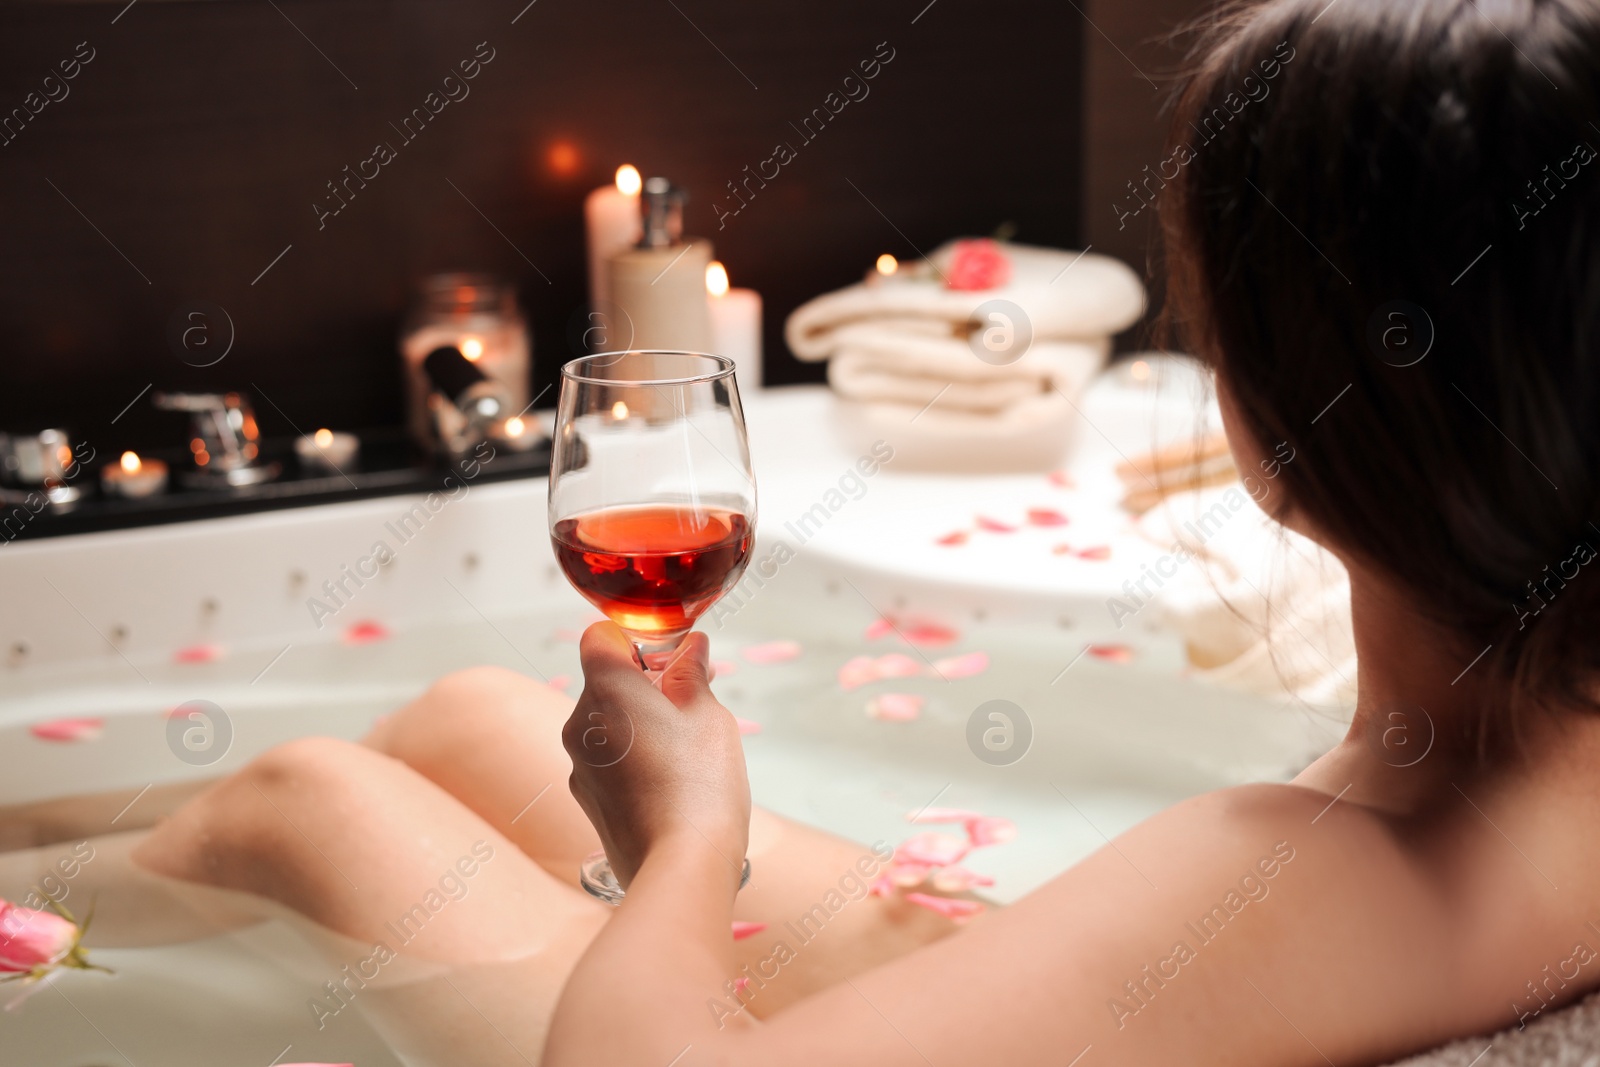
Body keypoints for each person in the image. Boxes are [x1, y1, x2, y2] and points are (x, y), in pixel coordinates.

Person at [142, 0, 1600, 1061]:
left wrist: (686, 845)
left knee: (304, 794)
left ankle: (67, 902)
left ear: (1297, 419)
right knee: (474, 712)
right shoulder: (1531, 763)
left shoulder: (1297, 868)